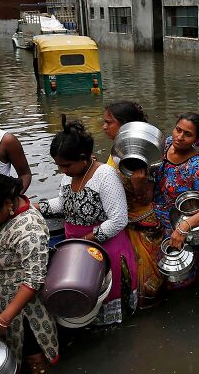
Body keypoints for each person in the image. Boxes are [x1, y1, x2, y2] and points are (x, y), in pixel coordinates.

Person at [39, 116, 135, 325]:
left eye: (66, 165)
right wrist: (38, 207)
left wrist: (87, 240)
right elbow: (64, 204)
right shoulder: (69, 176)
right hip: (75, 247)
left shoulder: (105, 175)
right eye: (59, 166)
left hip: (104, 248)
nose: (62, 170)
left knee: (102, 295)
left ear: (84, 158)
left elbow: (118, 220)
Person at [0, 174, 59, 372]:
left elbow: (34, 279)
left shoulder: (29, 229)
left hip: (26, 313)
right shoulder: (4, 216)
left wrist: (4, 318)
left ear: (7, 203)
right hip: (4, 305)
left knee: (35, 361)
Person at [103, 100, 165, 309]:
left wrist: (139, 184)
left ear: (125, 126)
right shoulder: (120, 150)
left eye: (108, 122)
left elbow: (147, 198)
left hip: (142, 226)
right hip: (122, 221)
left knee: (145, 285)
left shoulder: (141, 155)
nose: (104, 127)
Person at [155, 113, 199, 249]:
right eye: (178, 130)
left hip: (176, 228)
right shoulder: (167, 143)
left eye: (187, 134)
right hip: (153, 221)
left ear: (196, 139)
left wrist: (184, 227)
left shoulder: (196, 165)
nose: (179, 137)